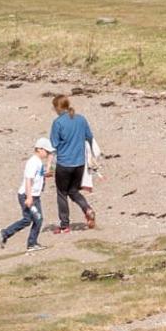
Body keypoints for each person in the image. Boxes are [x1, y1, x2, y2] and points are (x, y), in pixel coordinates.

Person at [48, 96, 98, 233]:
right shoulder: (81, 119)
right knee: (73, 190)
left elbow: (54, 144)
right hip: (79, 163)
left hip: (64, 163)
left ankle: (65, 224)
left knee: (62, 193)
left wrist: (50, 166)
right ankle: (87, 209)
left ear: (58, 107)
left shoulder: (57, 123)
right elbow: (89, 136)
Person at [0, 138, 54, 252]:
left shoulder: (38, 162)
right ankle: (9, 235)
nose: (48, 154)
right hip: (27, 195)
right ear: (39, 149)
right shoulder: (33, 162)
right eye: (46, 151)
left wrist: (46, 173)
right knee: (36, 219)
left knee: (30, 219)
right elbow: (28, 180)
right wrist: (29, 197)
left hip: (35, 196)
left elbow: (37, 176)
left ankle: (26, 242)